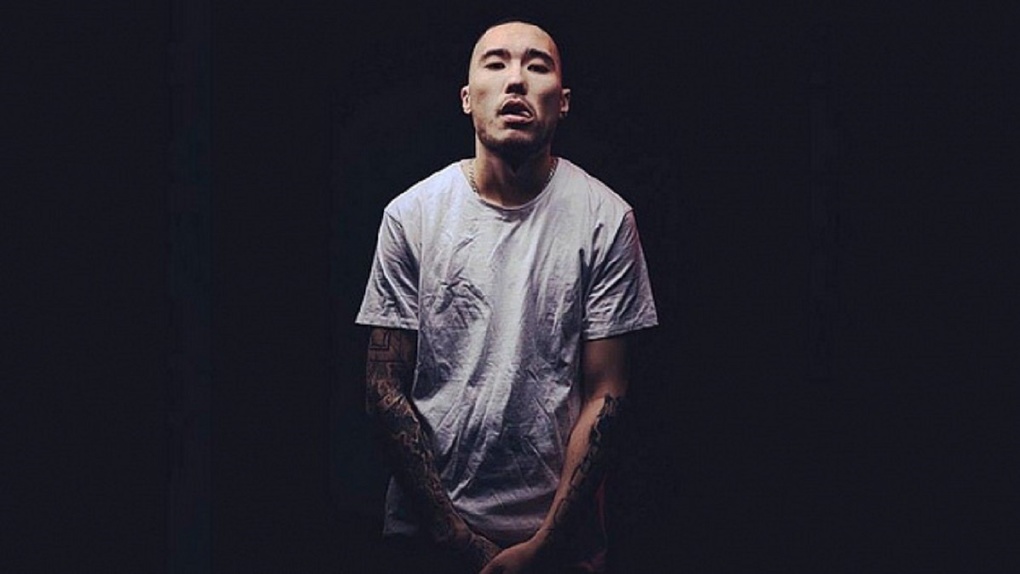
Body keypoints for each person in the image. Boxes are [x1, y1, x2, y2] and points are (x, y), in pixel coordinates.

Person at [356, 19, 658, 573]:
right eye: (495, 63)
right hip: (426, 541)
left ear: (562, 102)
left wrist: (544, 547)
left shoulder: (606, 220)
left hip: (560, 548)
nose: (515, 80)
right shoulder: (411, 217)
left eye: (536, 66)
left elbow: (607, 394)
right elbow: (383, 388)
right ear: (467, 98)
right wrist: (457, 539)